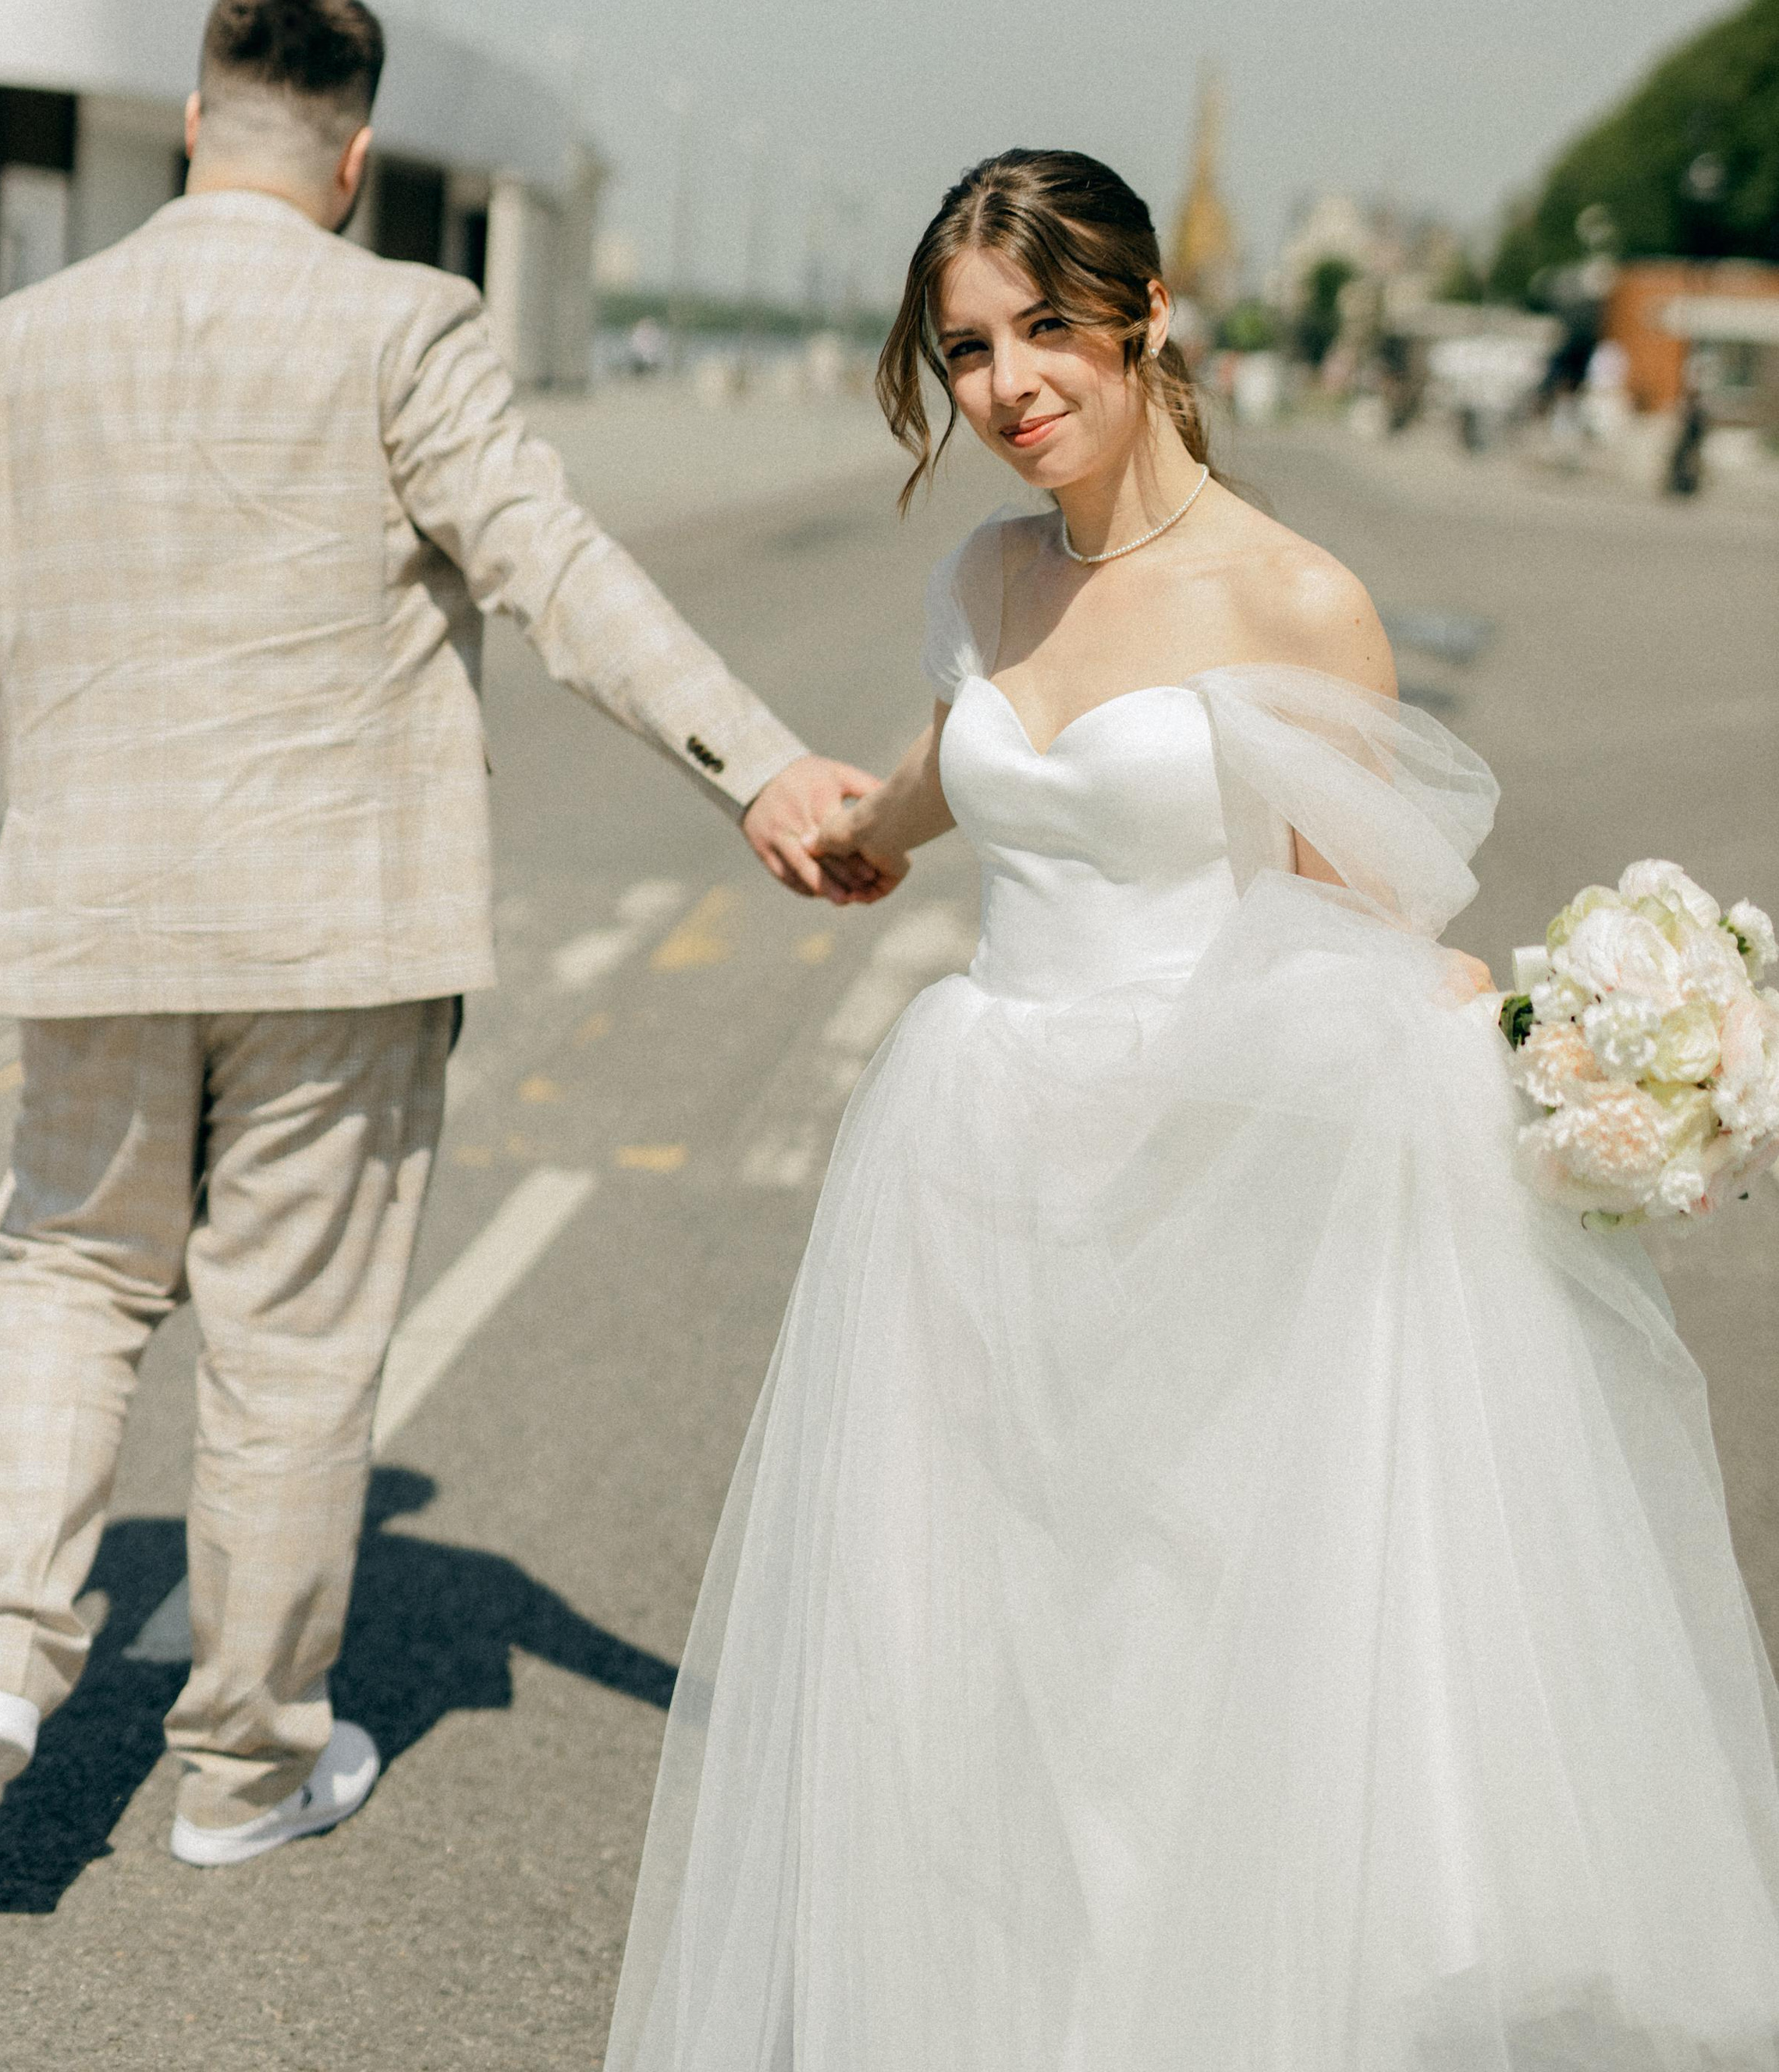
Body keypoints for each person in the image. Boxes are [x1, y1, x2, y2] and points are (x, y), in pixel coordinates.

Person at [605, 146, 1779, 2069]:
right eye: (966, 351)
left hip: (1209, 1177)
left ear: (1147, 314)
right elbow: (969, 742)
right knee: (968, 1665)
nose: (1007, 387)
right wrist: (859, 826)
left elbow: (1364, 929)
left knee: (1176, 1670)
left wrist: (1571, 1059)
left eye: (1045, 329)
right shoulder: (985, 572)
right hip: (976, 1168)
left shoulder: (1291, 598)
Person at [0, 0, 876, 1870]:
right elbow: (549, 567)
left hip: (88, 923)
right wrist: (753, 765)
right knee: (292, 1345)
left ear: (190, 120)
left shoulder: (15, 345)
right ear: (355, 152)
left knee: (67, 1278)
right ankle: (241, 1772)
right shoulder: (409, 322)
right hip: (341, 936)